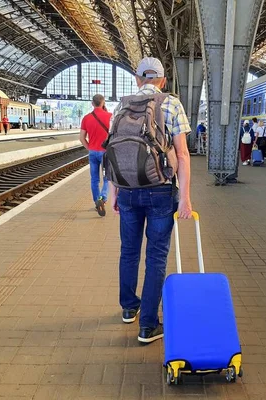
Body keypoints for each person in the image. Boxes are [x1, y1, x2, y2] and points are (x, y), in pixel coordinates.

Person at [109, 57, 192, 344]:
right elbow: (182, 155)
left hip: (128, 190)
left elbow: (113, 150)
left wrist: (115, 193)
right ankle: (148, 326)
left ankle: (129, 309)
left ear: (137, 79)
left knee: (128, 252)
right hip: (159, 189)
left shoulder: (121, 106)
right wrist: (185, 199)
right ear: (163, 80)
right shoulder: (171, 103)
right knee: (156, 257)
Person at [80, 94, 111, 216]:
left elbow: (81, 138)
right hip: (105, 152)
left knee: (94, 179)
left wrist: (90, 148)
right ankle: (102, 198)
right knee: (107, 177)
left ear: (92, 103)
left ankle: (96, 201)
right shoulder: (110, 117)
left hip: (93, 152)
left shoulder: (86, 118)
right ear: (103, 102)